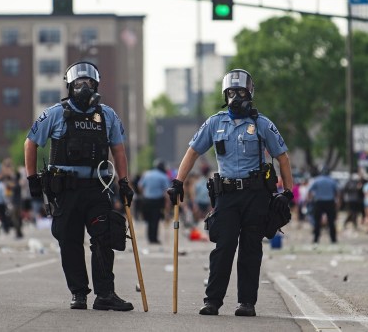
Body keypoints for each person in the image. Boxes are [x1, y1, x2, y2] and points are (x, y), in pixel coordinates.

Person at [167, 69, 293, 317]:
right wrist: (178, 181)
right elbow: (193, 151)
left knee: (250, 248)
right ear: (225, 95)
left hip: (256, 195)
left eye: (241, 92)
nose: (236, 97)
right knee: (223, 247)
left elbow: (283, 157)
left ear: (250, 94)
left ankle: (247, 302)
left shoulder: (262, 124)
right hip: (226, 195)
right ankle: (212, 301)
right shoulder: (215, 122)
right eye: (231, 92)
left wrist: (288, 192)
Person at [24, 61, 135, 312]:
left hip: (97, 188)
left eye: (89, 83)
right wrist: (32, 179)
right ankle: (78, 293)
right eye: (78, 83)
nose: (84, 87)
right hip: (65, 190)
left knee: (104, 239)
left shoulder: (107, 115)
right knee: (69, 240)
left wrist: (124, 182)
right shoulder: (55, 113)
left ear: (96, 85)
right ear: (70, 86)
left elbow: (118, 150)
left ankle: (105, 294)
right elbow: (30, 143)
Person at [138, 160, 171, 244]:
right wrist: (168, 205)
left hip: (146, 200)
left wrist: (144, 194)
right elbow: (167, 192)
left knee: (149, 220)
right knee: (155, 220)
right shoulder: (163, 176)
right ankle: (154, 239)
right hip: (157, 201)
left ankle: (150, 237)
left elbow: (140, 186)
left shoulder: (147, 174)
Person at [308, 167, 339, 244]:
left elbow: (310, 190)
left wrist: (310, 200)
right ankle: (333, 239)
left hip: (319, 202)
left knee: (317, 221)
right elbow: (337, 192)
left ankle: (316, 238)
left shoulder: (317, 180)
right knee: (331, 221)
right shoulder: (332, 181)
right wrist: (338, 202)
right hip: (330, 202)